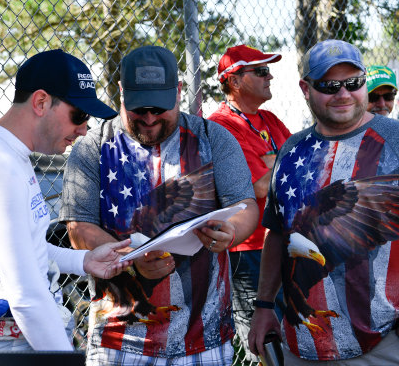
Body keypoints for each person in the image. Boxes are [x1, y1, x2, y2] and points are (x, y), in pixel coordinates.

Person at [59, 45, 259, 365]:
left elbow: (245, 205)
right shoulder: (92, 147)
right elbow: (78, 227)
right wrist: (129, 258)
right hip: (118, 337)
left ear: (178, 92)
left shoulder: (212, 138)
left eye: (160, 108)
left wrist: (230, 231)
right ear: (122, 92)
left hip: (202, 336)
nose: (150, 119)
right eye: (140, 109)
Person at [0, 49, 134, 352]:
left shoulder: (9, 155)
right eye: (78, 115)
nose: (83, 129)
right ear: (41, 102)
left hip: (11, 340)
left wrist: (85, 260)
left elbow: (26, 250)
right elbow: (25, 295)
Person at [248, 39, 399, 364]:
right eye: (329, 85)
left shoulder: (395, 140)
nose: (343, 93)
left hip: (383, 341)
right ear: (306, 88)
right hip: (302, 341)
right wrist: (263, 306)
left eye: (353, 83)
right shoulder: (291, 150)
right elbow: (277, 233)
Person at [208, 44, 291, 361]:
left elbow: (304, 169)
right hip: (249, 249)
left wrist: (274, 163)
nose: (270, 76)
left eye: (268, 69)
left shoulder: (269, 119)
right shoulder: (221, 125)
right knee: (265, 342)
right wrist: (281, 164)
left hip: (283, 240)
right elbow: (257, 187)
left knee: (294, 332)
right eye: (261, 70)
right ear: (235, 80)